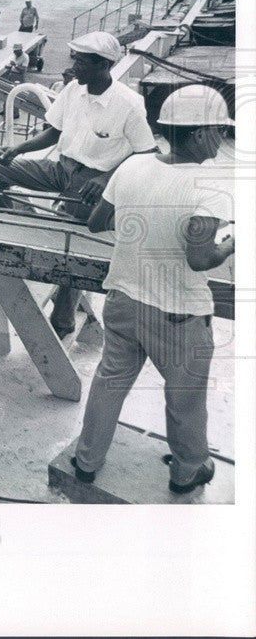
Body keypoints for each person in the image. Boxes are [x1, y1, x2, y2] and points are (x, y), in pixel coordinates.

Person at [73, 86, 234, 494]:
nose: (223, 138)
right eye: (219, 130)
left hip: (124, 300)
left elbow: (96, 222)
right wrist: (232, 243)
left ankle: (87, 460)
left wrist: (140, 217)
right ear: (198, 134)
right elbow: (200, 259)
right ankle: (188, 469)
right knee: (185, 396)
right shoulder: (210, 185)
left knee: (109, 383)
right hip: (177, 313)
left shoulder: (133, 166)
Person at [0, 31, 157, 336]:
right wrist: (17, 150)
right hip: (62, 169)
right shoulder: (74, 90)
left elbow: (147, 154)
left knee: (71, 250)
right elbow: (53, 132)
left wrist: (106, 179)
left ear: (103, 65)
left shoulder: (129, 104)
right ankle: (22, 231)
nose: (73, 65)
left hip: (93, 182)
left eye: (80, 60)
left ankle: (62, 321)